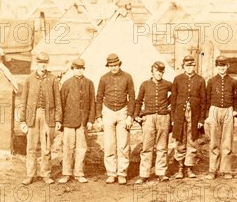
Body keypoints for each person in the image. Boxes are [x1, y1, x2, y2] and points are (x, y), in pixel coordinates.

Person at [19, 52, 62, 185]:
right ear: (36, 64)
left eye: (45, 63)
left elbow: (58, 100)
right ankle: (30, 174)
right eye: (40, 63)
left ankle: (46, 174)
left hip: (47, 116)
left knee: (46, 147)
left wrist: (58, 119)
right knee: (31, 147)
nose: (43, 65)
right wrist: (22, 120)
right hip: (32, 116)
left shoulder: (53, 79)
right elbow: (23, 101)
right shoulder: (29, 79)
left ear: (47, 64)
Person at [96, 53, 135, 185]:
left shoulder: (127, 77)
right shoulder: (103, 79)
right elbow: (99, 98)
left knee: (123, 145)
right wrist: (99, 117)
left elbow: (132, 98)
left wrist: (130, 116)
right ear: (108, 66)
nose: (113, 68)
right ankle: (111, 173)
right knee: (109, 144)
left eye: (115, 65)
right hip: (108, 112)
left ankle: (122, 173)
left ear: (119, 64)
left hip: (123, 112)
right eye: (111, 66)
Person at [133, 61, 172, 183]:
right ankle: (144, 174)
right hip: (148, 118)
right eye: (157, 71)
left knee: (162, 146)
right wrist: (136, 115)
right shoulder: (145, 84)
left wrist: (167, 104)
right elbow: (138, 101)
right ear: (152, 72)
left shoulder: (167, 84)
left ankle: (161, 172)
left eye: (161, 71)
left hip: (163, 117)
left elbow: (177, 94)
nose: (159, 74)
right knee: (147, 147)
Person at [58, 58, 95, 184]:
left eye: (81, 68)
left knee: (81, 148)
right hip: (68, 121)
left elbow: (92, 104)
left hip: (82, 122)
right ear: (73, 69)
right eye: (76, 69)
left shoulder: (89, 83)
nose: (79, 71)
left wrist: (90, 120)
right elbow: (61, 103)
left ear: (84, 69)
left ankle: (79, 173)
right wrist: (60, 121)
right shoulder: (67, 83)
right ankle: (66, 173)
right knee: (68, 147)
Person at [171, 55, 207, 179]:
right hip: (180, 114)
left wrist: (201, 119)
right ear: (183, 66)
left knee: (192, 140)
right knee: (180, 139)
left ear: (194, 66)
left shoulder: (200, 80)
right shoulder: (178, 79)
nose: (189, 68)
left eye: (191, 65)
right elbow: (173, 100)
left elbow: (203, 101)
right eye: (187, 66)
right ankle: (180, 168)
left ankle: (189, 168)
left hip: (194, 115)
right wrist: (173, 118)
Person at [205, 55, 237, 179]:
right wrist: (207, 115)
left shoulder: (233, 81)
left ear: (227, 66)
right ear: (216, 67)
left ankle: (226, 169)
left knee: (227, 141)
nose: (221, 68)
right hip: (214, 110)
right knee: (214, 140)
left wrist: (235, 111)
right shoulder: (211, 81)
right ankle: (213, 169)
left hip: (228, 110)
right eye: (219, 66)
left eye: (223, 66)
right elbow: (207, 99)